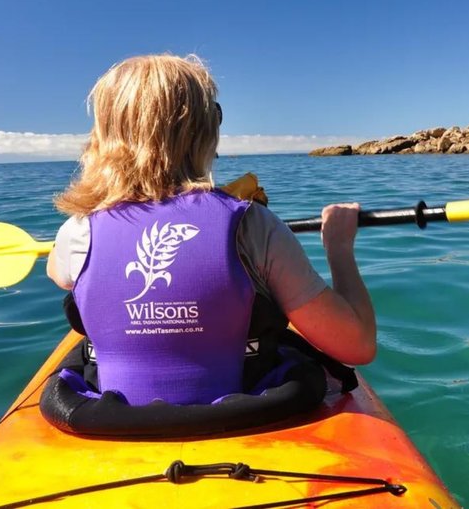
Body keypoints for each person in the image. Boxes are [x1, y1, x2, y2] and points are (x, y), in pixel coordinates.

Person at [46, 54, 375, 406]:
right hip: (240, 419)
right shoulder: (253, 225)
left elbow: (59, 274)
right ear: (206, 130)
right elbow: (357, 346)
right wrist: (338, 248)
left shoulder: (77, 231)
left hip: (114, 422)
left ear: (102, 137)